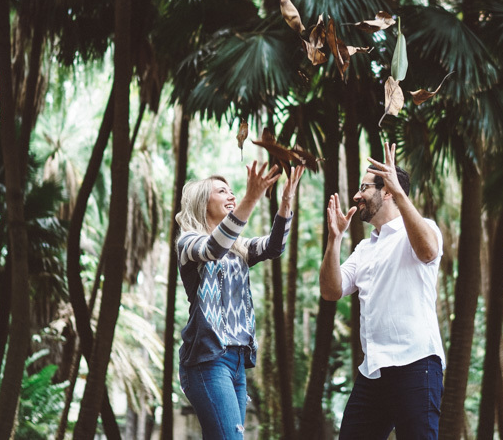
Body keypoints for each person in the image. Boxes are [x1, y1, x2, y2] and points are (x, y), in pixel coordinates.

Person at [320, 141, 445, 439]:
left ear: (387, 191)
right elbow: (331, 291)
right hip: (373, 372)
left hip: (416, 364)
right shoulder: (364, 248)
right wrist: (334, 239)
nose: (356, 195)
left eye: (364, 188)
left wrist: (400, 193)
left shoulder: (422, 228)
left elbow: (428, 252)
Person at [177, 161, 305, 439]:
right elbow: (213, 248)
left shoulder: (239, 248)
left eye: (232, 191)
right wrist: (251, 197)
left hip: (237, 362)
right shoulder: (188, 243)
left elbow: (274, 246)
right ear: (202, 202)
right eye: (222, 191)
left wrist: (286, 201)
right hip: (207, 360)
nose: (231, 196)